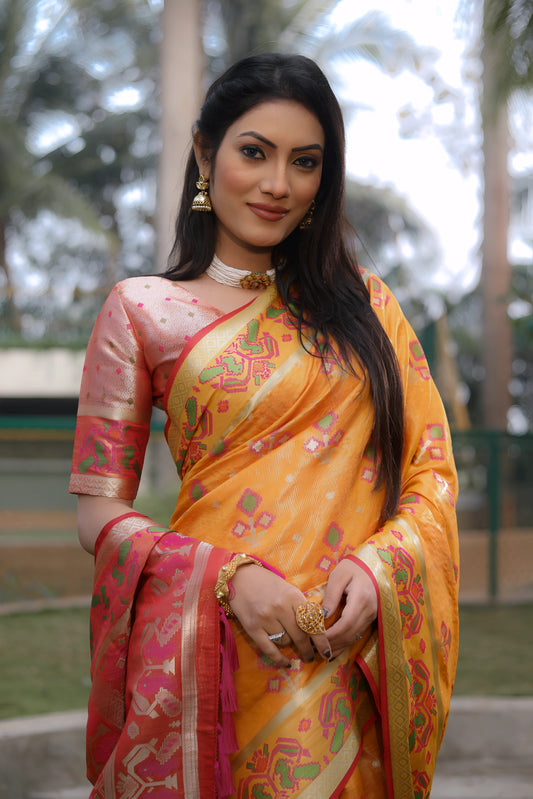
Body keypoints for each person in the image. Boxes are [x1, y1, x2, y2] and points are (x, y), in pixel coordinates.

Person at [70, 53, 459, 799]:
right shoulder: (140, 309)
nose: (278, 184)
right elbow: (97, 513)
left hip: (348, 655)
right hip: (212, 658)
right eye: (254, 152)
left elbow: (429, 469)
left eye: (304, 162)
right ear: (203, 154)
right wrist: (228, 580)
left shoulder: (367, 309)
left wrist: (382, 571)